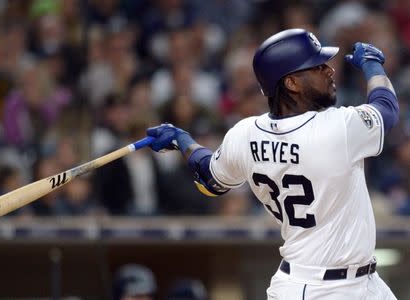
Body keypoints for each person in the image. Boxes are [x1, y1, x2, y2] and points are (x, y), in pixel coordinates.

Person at [146, 28, 399, 299]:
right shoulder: (337, 128)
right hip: (317, 289)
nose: (329, 70)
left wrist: (182, 140)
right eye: (317, 67)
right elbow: (386, 109)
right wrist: (372, 65)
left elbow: (210, 177)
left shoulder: (244, 134)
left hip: (360, 283)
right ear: (291, 83)